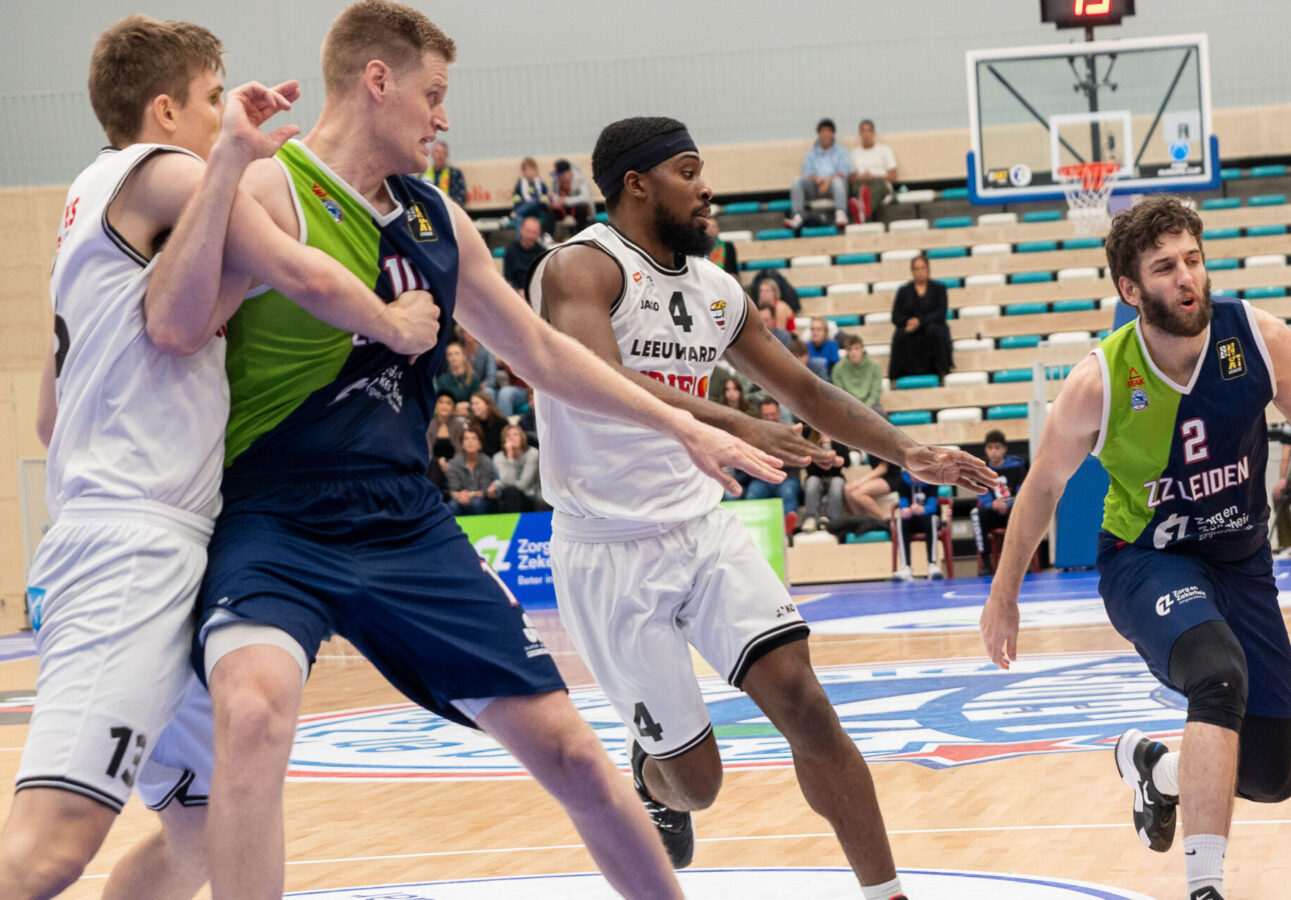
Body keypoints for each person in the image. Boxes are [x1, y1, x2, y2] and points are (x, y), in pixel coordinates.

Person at [154, 5, 788, 896]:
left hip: (406, 520)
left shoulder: (437, 219)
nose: (443, 118)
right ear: (378, 80)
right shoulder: (270, 191)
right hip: (274, 514)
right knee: (252, 718)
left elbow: (541, 354)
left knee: (571, 750)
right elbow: (176, 328)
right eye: (433, 94)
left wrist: (686, 422)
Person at [0, 17, 440, 899]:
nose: (222, 118)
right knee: (49, 850)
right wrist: (395, 323)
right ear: (164, 109)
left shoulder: (89, 209)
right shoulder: (167, 171)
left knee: (203, 835)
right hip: (130, 547)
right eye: (210, 101)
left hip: (157, 539)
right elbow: (297, 266)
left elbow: (50, 418)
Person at [529, 114, 995, 891]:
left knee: (807, 705)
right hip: (608, 550)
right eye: (687, 170)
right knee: (698, 782)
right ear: (637, 185)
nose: (706, 186)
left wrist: (909, 452)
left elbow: (809, 393)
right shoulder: (581, 268)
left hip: (700, 530)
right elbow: (596, 380)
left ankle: (888, 893)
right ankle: (652, 779)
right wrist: (736, 421)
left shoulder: (715, 289)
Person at [977, 195, 1291, 900]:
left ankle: (1159, 772)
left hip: (1242, 561)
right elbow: (1042, 489)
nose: (1188, 279)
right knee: (1218, 674)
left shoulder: (1260, 341)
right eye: (1165, 268)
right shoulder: (1100, 381)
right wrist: (1004, 598)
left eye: (1194, 261)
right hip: (1147, 560)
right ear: (1130, 289)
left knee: (1270, 773)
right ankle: (1206, 890)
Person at [971, 430, 1030, 575]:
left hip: (1012, 511)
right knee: (976, 513)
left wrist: (1007, 503)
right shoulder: (982, 470)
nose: (994, 452)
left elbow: (1023, 493)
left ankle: (1019, 563)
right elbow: (981, 493)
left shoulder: (1017, 468)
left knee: (1022, 511)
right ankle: (986, 563)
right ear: (986, 449)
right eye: (990, 448)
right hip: (992, 512)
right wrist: (992, 504)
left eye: (997, 447)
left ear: (1004, 449)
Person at [889, 253, 953, 379]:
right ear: (912, 271)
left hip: (931, 328)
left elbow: (940, 313)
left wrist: (920, 322)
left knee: (934, 331)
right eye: (916, 269)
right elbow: (896, 316)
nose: (920, 271)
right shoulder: (903, 291)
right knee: (900, 335)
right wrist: (908, 322)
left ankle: (940, 371)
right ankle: (899, 376)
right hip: (910, 331)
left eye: (922, 268)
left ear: (928, 269)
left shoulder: (939, 289)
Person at [785, 117, 852, 229]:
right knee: (797, 180)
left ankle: (841, 214)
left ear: (833, 134)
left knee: (838, 181)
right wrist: (818, 180)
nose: (826, 134)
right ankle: (798, 216)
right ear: (819, 134)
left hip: (833, 188)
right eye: (823, 131)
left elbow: (843, 172)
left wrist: (827, 181)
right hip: (816, 187)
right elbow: (807, 173)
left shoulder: (842, 152)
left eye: (829, 131)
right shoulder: (810, 154)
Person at [890, 470, 945, 581]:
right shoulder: (902, 481)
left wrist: (923, 510)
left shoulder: (932, 480)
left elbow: (932, 506)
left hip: (929, 519)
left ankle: (932, 564)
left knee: (932, 519)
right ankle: (906, 567)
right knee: (900, 521)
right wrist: (905, 511)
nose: (915, 477)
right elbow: (903, 504)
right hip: (912, 522)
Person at [847, 119, 898, 223]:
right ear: (860, 134)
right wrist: (861, 177)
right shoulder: (854, 153)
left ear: (873, 133)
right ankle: (864, 209)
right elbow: (851, 179)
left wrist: (875, 176)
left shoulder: (884, 150)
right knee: (860, 188)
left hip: (880, 182)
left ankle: (862, 211)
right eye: (863, 131)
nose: (866, 135)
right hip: (861, 182)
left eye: (868, 131)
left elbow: (893, 177)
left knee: (876, 185)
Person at [799, 429, 847, 533]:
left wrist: (829, 446)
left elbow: (845, 462)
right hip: (814, 476)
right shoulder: (808, 435)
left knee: (837, 482)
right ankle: (810, 518)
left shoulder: (838, 436)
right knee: (812, 481)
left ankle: (833, 520)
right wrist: (819, 451)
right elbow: (809, 468)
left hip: (835, 476)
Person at [445, 425, 499, 514]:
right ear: (462, 444)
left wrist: (471, 494)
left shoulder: (487, 461)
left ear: (480, 445)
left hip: (481, 499)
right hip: (460, 497)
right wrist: (460, 496)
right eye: (466, 439)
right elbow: (453, 490)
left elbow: (485, 491)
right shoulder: (455, 462)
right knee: (451, 506)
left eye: (474, 438)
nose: (470, 442)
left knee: (476, 503)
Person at [493, 423, 542, 512]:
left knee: (512, 492)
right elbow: (507, 481)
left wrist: (499, 484)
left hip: (529, 495)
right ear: (504, 440)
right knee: (509, 493)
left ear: (522, 437)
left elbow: (523, 485)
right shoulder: (498, 457)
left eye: (515, 435)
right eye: (508, 435)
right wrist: (510, 457)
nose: (511, 438)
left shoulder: (532, 454)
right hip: (507, 495)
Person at [832, 332, 885, 413]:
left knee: (880, 412)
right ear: (847, 352)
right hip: (848, 406)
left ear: (862, 349)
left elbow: (875, 393)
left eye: (856, 348)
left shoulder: (875, 368)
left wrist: (865, 408)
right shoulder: (837, 369)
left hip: (871, 406)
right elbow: (841, 394)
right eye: (850, 349)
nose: (853, 352)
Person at [502, 214, 549, 295]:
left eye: (535, 232)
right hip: (516, 295)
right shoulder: (511, 250)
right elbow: (508, 278)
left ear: (539, 234)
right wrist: (517, 291)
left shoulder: (543, 253)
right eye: (528, 231)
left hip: (537, 294)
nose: (531, 236)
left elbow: (545, 280)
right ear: (521, 230)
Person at [549, 158, 594, 230]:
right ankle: (548, 236)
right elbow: (551, 193)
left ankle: (580, 234)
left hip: (578, 209)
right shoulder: (556, 180)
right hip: (563, 209)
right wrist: (552, 200)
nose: (559, 178)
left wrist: (566, 200)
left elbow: (586, 198)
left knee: (582, 208)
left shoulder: (581, 179)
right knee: (551, 211)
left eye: (561, 175)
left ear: (569, 173)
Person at [510, 156, 552, 229]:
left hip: (537, 210)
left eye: (532, 169)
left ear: (536, 171)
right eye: (527, 170)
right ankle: (520, 239)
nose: (530, 172)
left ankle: (517, 212)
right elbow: (516, 201)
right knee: (519, 219)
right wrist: (524, 204)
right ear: (523, 172)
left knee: (533, 201)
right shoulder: (519, 186)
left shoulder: (541, 185)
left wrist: (539, 201)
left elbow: (544, 201)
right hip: (524, 211)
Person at [424, 138, 464, 207]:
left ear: (447, 155)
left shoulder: (454, 174)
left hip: (449, 210)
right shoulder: (424, 175)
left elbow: (460, 199)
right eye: (437, 152)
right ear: (432, 154)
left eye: (443, 152)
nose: (440, 156)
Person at [466, 390, 507, 455]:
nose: (473, 407)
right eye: (472, 404)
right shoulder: (472, 424)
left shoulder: (501, 423)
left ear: (487, 405)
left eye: (477, 403)